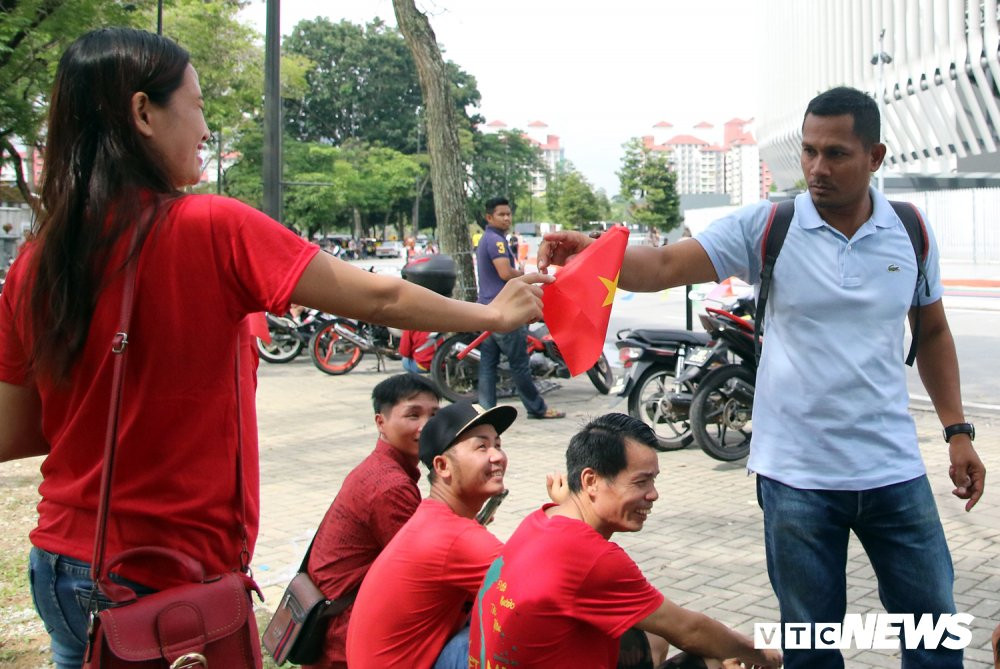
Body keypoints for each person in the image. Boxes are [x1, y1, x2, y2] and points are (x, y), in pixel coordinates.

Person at [0, 28, 549, 669]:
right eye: (198, 105)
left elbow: (14, 433)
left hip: (63, 565)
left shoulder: (36, 263)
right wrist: (491, 311)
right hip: (161, 573)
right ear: (144, 113)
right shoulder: (210, 226)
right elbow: (377, 300)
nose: (205, 129)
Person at [538, 87, 984, 669]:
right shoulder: (770, 225)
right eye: (809, 151)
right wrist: (596, 253)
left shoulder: (910, 229)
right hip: (795, 479)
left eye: (836, 154)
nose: (817, 168)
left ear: (875, 157)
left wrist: (958, 431)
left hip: (893, 473)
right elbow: (669, 264)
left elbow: (932, 334)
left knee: (934, 637)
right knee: (810, 647)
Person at [470, 413, 782, 669]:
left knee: (652, 635)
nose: (653, 494)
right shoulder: (593, 558)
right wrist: (758, 653)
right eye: (641, 481)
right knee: (717, 658)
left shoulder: (542, 519)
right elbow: (690, 630)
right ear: (590, 481)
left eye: (654, 480)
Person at [344, 401, 515, 669]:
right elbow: (539, 591)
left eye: (498, 444)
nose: (497, 456)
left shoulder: (430, 518)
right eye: (482, 446)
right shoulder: (455, 537)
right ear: (443, 466)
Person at [303, 374, 441, 669]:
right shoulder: (390, 485)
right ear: (381, 422)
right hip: (345, 637)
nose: (427, 426)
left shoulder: (382, 468)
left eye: (434, 415)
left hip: (337, 621)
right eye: (413, 414)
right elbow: (426, 572)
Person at [475, 197, 563, 419]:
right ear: (489, 217)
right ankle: (537, 408)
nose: (506, 218)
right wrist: (527, 276)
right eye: (501, 214)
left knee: (488, 364)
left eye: (508, 214)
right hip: (505, 311)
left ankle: (486, 412)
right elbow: (505, 273)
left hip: (486, 309)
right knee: (519, 363)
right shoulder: (495, 241)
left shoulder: (488, 238)